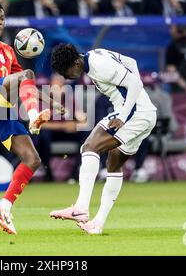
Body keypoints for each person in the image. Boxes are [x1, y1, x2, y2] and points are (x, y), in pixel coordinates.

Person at [0, 0, 64, 235]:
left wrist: (48, 100)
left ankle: (4, 207)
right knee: (26, 74)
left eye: (1, 19)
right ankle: (33, 117)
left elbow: (23, 82)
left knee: (33, 159)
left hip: (2, 113)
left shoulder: (8, 50)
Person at [49, 45, 157, 234]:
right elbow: (132, 63)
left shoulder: (100, 65)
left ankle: (81, 208)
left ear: (76, 63)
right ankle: (97, 223)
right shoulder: (95, 55)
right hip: (145, 113)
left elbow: (135, 84)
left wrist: (123, 115)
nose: (68, 77)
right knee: (114, 163)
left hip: (133, 114)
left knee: (89, 147)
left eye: (67, 72)